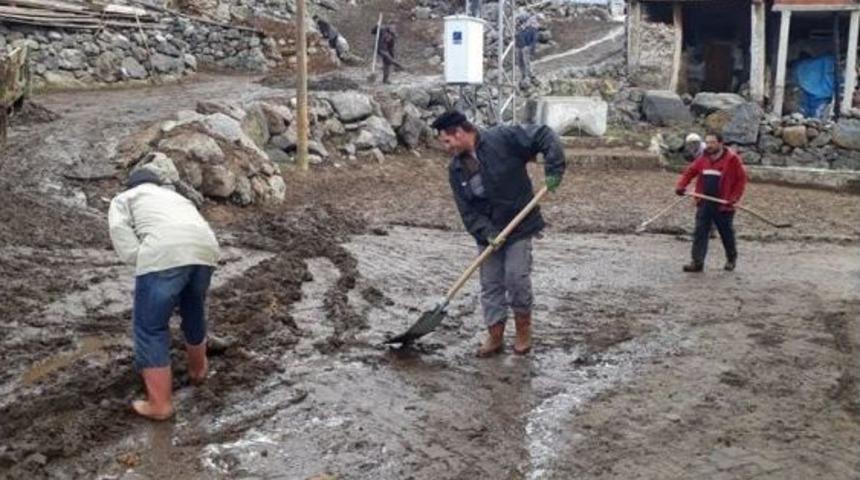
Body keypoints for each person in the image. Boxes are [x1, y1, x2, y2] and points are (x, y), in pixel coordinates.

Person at [430, 111, 566, 357]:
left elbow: (544, 135)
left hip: (519, 225)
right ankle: (495, 336)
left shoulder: (503, 138)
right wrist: (488, 233)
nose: (446, 148)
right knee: (491, 284)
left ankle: (523, 331)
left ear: (459, 133)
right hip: (489, 233)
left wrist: (554, 168)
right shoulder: (457, 169)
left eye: (447, 141)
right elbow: (467, 211)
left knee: (516, 279)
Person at [108, 166, 220, 420]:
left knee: (150, 327)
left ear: (131, 185)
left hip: (163, 252)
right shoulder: (177, 197)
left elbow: (120, 232)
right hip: (206, 250)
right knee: (193, 310)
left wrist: (142, 258)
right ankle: (198, 371)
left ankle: (159, 405)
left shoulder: (124, 198)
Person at [675, 132, 747, 273]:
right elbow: (690, 172)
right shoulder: (703, 158)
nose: (709, 145)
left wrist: (734, 198)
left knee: (726, 233)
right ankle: (697, 262)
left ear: (720, 143)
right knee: (700, 232)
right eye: (707, 142)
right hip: (705, 201)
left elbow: (741, 180)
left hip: (724, 203)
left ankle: (731, 259)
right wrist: (681, 186)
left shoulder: (732, 159)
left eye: (712, 142)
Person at [516, 10, 540, 86]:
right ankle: (523, 75)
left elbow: (534, 39)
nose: (519, 22)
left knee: (527, 62)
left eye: (520, 20)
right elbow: (518, 37)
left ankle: (531, 76)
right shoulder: (519, 28)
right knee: (520, 62)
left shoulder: (531, 28)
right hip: (520, 47)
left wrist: (531, 48)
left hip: (526, 47)